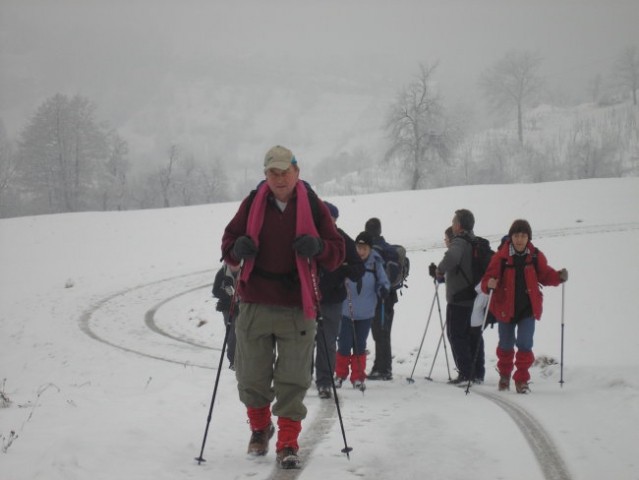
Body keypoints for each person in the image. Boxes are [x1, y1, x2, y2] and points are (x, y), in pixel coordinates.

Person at [220, 145, 345, 469]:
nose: (279, 178)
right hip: (255, 301)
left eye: (284, 172)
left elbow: (337, 251)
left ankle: (288, 442)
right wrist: (237, 247)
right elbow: (227, 244)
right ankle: (260, 429)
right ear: (265, 174)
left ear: (296, 172)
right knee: (251, 377)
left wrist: (318, 246)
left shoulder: (313, 205)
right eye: (273, 172)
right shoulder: (253, 203)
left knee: (293, 379)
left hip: (296, 304)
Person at [481, 219, 568, 394]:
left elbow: (545, 274)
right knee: (505, 344)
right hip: (505, 308)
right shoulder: (500, 258)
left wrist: (558, 277)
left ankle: (522, 380)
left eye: (523, 236)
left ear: (528, 237)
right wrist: (489, 284)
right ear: (511, 237)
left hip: (528, 308)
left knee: (525, 344)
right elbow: (487, 280)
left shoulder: (535, 256)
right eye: (516, 235)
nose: (519, 239)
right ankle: (505, 376)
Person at [315, 202, 365, 399]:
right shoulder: (308, 235)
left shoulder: (343, 240)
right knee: (301, 343)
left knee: (327, 343)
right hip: (304, 299)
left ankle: (325, 382)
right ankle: (299, 382)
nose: (327, 221)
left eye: (331, 218)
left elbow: (358, 269)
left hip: (332, 300)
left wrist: (342, 269)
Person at [335, 231, 390, 391]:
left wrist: (383, 290)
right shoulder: (349, 260)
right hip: (346, 311)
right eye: (358, 247)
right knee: (344, 344)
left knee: (360, 345)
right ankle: (340, 375)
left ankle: (358, 377)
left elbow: (383, 282)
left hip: (366, 313)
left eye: (364, 248)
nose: (361, 251)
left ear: (370, 249)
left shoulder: (375, 264)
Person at [435, 209, 482, 384]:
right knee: (473, 335)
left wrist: (439, 269)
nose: (453, 225)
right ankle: (477, 372)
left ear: (459, 225)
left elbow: (451, 258)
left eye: (454, 222)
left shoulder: (459, 241)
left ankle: (465, 373)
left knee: (456, 335)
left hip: (459, 298)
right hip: (475, 297)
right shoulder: (474, 241)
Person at [364, 217, 398, 381]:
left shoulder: (373, 250)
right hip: (389, 296)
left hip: (378, 297)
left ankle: (383, 369)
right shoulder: (389, 249)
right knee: (384, 332)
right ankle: (381, 366)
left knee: (380, 332)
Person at [211, 262, 241, 369]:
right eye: (232, 263)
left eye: (237, 263)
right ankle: (233, 361)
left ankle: (244, 359)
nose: (235, 265)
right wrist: (227, 294)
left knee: (244, 333)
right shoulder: (222, 273)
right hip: (227, 308)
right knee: (232, 334)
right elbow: (215, 291)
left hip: (243, 307)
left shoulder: (245, 271)